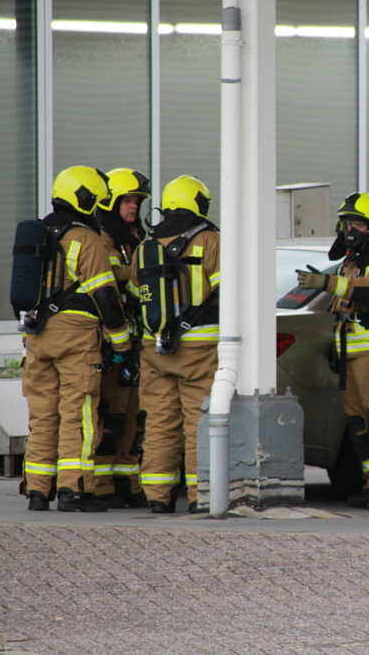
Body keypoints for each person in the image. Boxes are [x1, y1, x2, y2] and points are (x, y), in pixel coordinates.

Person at [22, 166, 132, 512]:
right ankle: (75, 489)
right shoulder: (86, 238)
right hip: (75, 339)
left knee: (42, 416)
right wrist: (122, 344)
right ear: (83, 198)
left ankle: (38, 491)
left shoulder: (40, 232)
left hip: (38, 337)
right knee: (78, 413)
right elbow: (107, 298)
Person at [296, 192, 369, 510]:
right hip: (353, 353)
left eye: (358, 223)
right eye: (346, 223)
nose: (351, 229)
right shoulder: (353, 260)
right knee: (359, 423)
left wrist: (327, 282)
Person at [129, 175, 220, 514]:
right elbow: (227, 291)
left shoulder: (146, 244)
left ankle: (157, 496)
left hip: (155, 347)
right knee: (199, 423)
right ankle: (202, 495)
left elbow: (139, 293)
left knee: (159, 422)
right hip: (199, 349)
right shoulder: (209, 240)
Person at [92, 167, 149, 508]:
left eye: (137, 202)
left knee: (133, 415)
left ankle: (127, 481)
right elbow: (117, 276)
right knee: (109, 415)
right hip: (109, 341)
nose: (132, 207)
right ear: (111, 202)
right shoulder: (101, 238)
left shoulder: (136, 239)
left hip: (135, 339)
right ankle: (101, 484)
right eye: (126, 201)